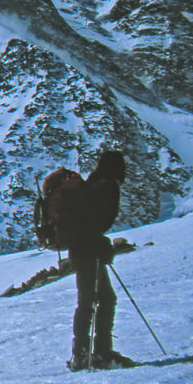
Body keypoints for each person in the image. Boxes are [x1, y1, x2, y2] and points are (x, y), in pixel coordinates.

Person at [66, 150, 133, 371]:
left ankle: (91, 352)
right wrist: (100, 244)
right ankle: (89, 354)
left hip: (82, 249)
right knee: (93, 299)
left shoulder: (93, 183)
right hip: (88, 250)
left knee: (99, 298)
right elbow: (92, 221)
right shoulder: (106, 186)